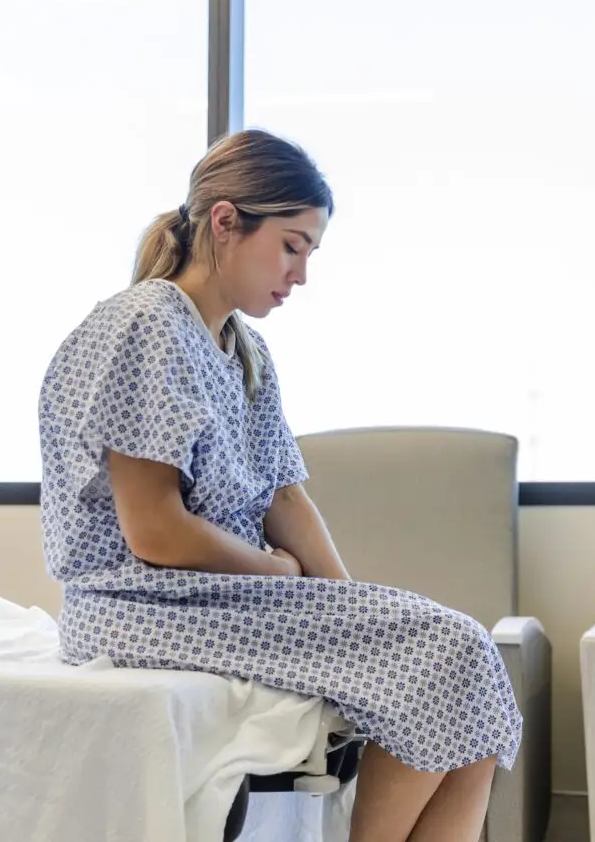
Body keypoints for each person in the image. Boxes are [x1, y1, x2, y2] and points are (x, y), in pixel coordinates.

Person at [36, 129, 522, 841]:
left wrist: (351, 607)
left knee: (468, 686)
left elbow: (285, 497)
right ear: (227, 222)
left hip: (222, 593)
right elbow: (154, 531)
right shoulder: (145, 325)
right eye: (292, 245)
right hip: (139, 600)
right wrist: (276, 570)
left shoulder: (243, 347)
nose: (300, 274)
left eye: (309, 254)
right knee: (449, 651)